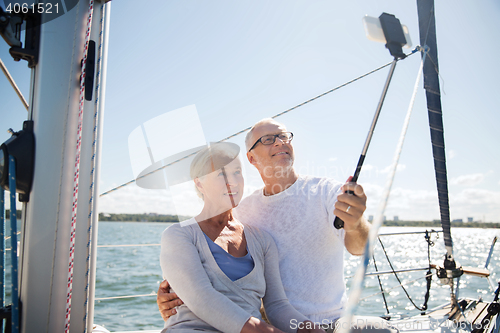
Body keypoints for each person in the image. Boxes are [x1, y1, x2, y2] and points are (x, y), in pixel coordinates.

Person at [158, 119, 389, 330]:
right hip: (262, 325)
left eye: (284, 136)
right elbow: (201, 292)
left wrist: (356, 222)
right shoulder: (240, 211)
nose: (280, 142)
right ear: (252, 158)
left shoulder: (326, 192)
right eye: (268, 139)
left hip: (320, 322)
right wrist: (171, 297)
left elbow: (360, 247)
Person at [160, 142, 324, 333]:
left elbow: (277, 306)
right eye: (221, 174)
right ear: (199, 183)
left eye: (237, 172)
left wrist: (308, 329)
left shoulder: (262, 241)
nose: (233, 181)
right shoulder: (178, 235)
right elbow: (202, 298)